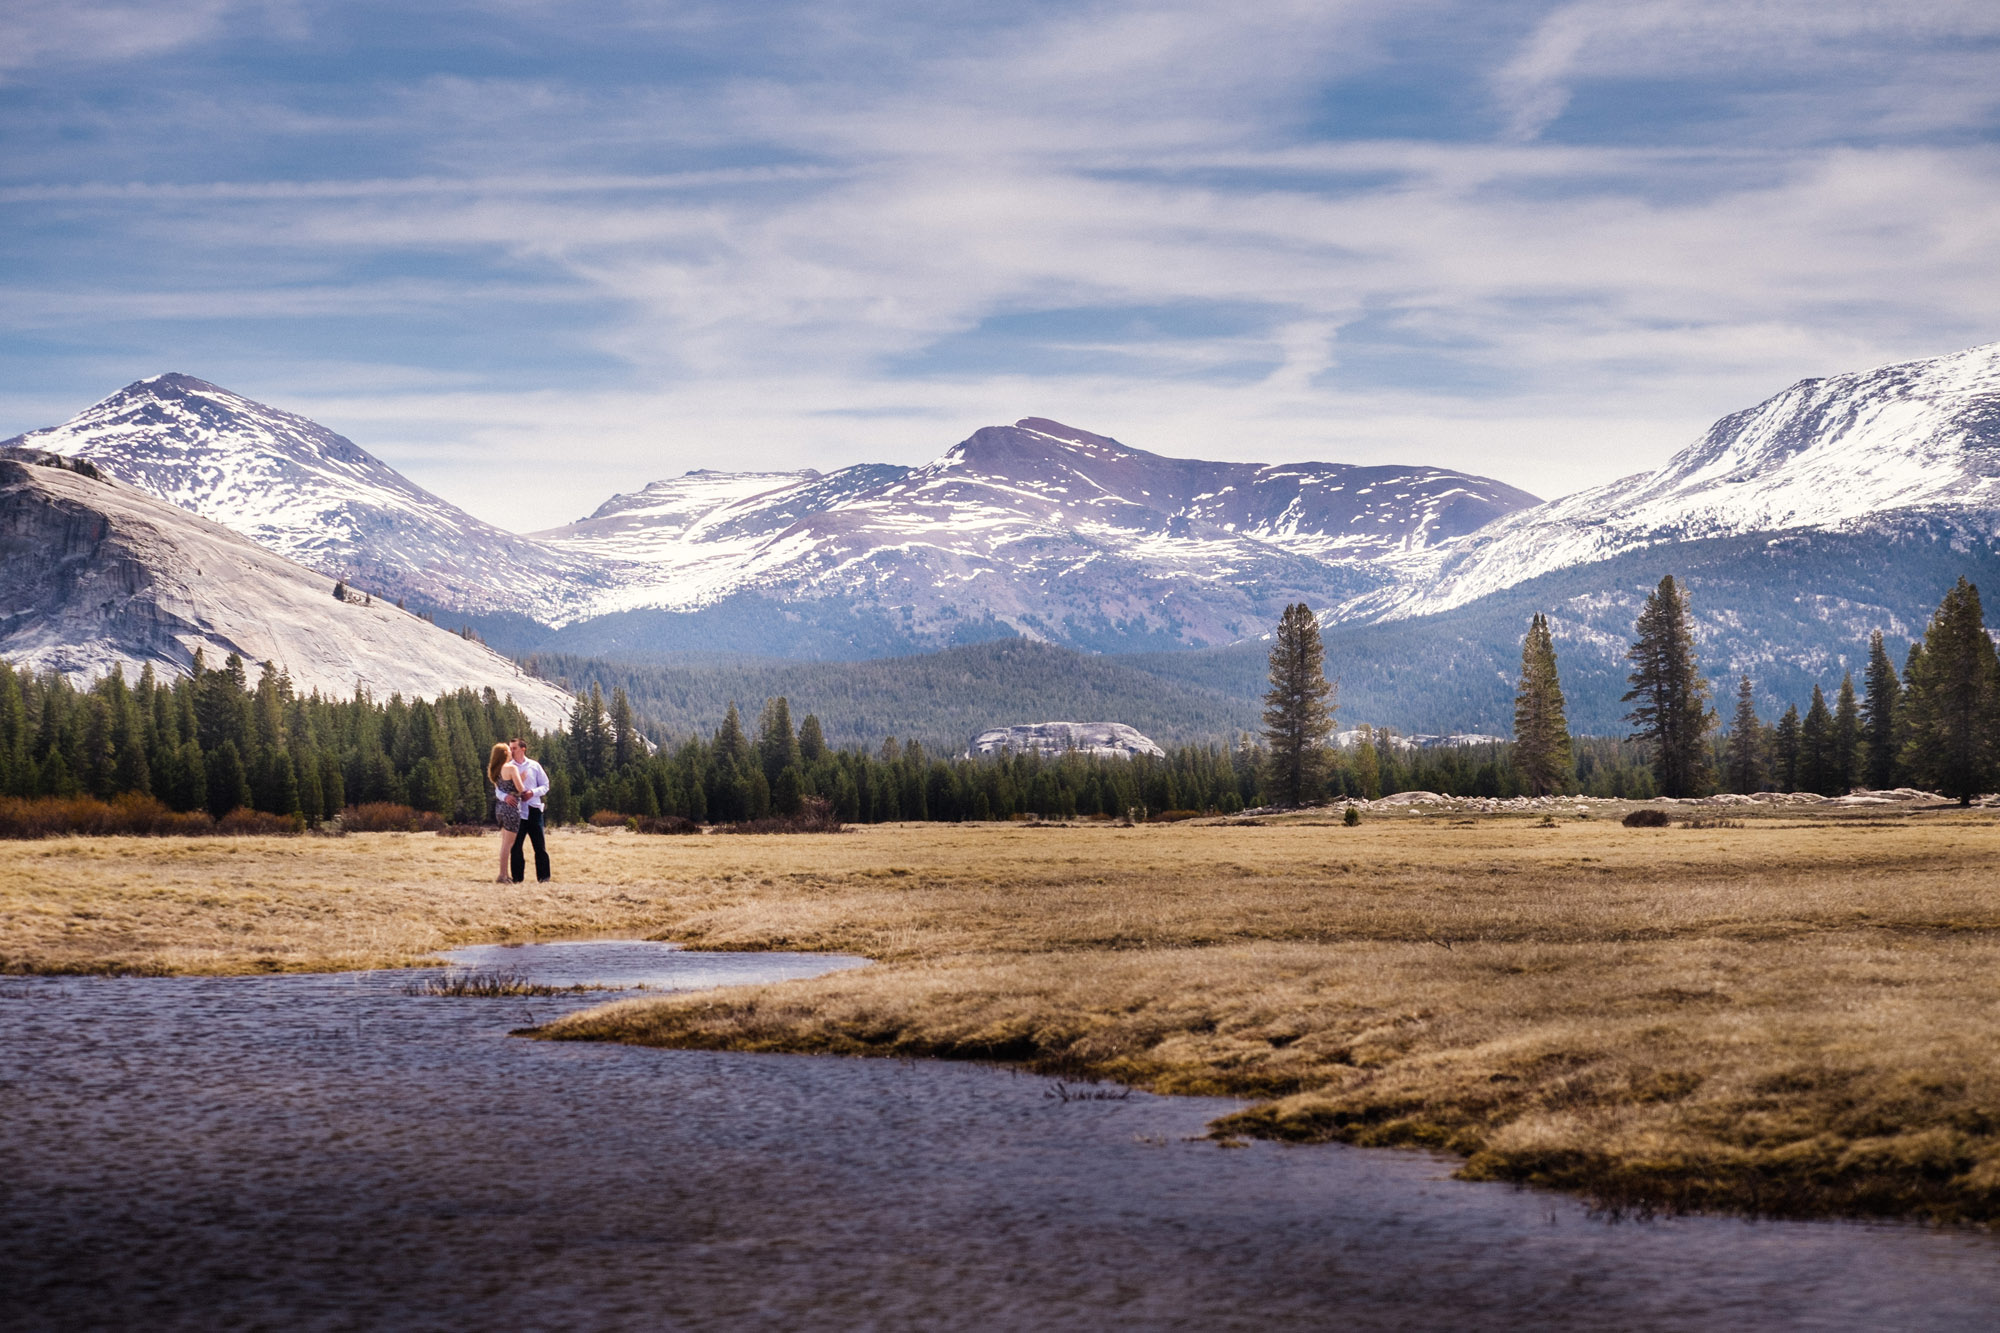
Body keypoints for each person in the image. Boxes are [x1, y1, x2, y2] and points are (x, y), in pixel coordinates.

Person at [508, 737, 552, 883]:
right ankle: (517, 879)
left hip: (534, 810)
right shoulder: (508, 767)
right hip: (516, 812)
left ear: (523, 749)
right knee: (516, 847)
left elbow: (545, 785)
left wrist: (532, 792)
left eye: (514, 748)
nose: (511, 751)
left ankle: (544, 878)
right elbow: (499, 789)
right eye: (510, 748)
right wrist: (505, 797)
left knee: (539, 846)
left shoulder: (534, 765)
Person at [487, 742, 526, 883]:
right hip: (512, 808)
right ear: (505, 754)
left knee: (504, 842)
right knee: (508, 845)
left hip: (500, 807)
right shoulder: (511, 768)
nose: (511, 752)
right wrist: (522, 778)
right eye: (509, 750)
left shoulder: (496, 771)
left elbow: (500, 790)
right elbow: (520, 788)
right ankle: (502, 875)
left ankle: (504, 874)